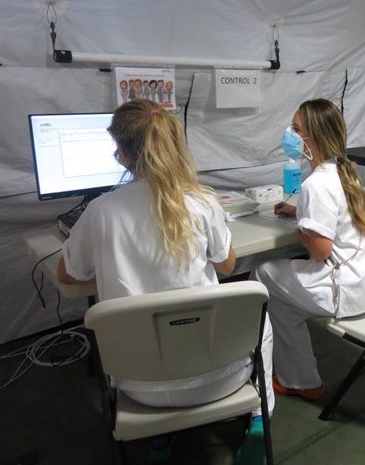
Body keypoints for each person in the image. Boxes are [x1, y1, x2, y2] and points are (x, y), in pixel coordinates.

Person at [56, 99, 273, 459]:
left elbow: (70, 275)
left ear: (123, 154)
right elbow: (226, 266)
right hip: (220, 374)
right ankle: (258, 418)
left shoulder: (101, 211)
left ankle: (160, 437)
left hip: (139, 386)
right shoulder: (203, 202)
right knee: (262, 321)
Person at [251, 98, 365, 400]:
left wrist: (303, 230)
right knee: (282, 303)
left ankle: (269, 369)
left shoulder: (316, 184)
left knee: (262, 274)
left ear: (315, 138)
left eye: (296, 129)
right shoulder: (343, 170)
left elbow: (319, 252)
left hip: (347, 289)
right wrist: (301, 212)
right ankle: (300, 378)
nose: (290, 134)